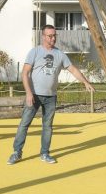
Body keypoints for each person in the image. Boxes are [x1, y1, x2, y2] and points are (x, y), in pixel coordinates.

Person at [7, 25, 95, 165]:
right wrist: (29, 93)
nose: (53, 38)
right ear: (43, 36)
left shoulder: (60, 54)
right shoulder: (35, 52)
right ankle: (17, 152)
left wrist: (85, 82)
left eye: (54, 35)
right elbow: (24, 73)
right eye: (50, 36)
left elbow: (72, 69)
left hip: (50, 97)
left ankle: (45, 153)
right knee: (24, 124)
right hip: (34, 95)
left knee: (47, 126)